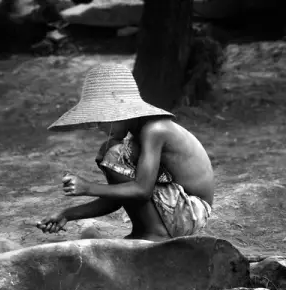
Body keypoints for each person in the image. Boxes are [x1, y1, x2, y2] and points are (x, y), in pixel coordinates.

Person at [37, 63, 214, 242]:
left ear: (120, 112)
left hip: (192, 211)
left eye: (102, 119)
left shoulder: (154, 130)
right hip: (180, 208)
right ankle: (146, 231)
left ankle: (153, 235)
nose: (100, 127)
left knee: (112, 153)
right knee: (109, 151)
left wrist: (87, 187)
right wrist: (67, 214)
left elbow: (142, 190)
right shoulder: (139, 135)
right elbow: (117, 198)